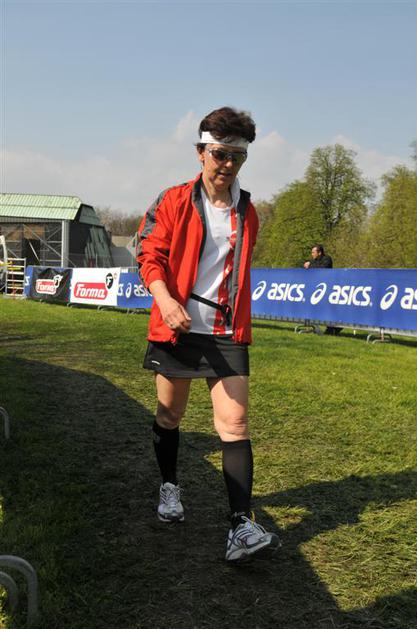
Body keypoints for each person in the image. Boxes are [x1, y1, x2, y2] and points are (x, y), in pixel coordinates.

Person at [136, 106, 279, 563]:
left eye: (237, 156)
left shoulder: (248, 211)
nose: (228, 164)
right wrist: (165, 301)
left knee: (235, 424)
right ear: (201, 152)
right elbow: (149, 256)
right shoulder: (173, 200)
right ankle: (169, 486)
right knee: (169, 416)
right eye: (220, 154)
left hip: (226, 333)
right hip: (176, 329)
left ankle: (240, 524)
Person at [303, 244, 342, 335]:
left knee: (329, 308)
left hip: (328, 288)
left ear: (319, 252)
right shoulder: (313, 261)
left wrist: (310, 266)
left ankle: (335, 327)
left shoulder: (327, 259)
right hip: (318, 289)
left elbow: (323, 268)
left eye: (313, 252)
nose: (312, 254)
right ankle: (331, 328)